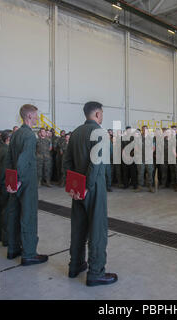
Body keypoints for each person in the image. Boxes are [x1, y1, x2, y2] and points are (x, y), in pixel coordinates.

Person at [64, 101, 117, 287]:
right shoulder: (100, 133)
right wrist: (88, 185)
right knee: (97, 229)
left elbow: (67, 161)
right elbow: (95, 163)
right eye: (101, 113)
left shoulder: (76, 133)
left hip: (77, 188)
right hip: (93, 188)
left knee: (78, 227)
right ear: (96, 114)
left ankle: (75, 265)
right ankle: (96, 272)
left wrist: (75, 186)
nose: (102, 116)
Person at [5, 104, 48, 266]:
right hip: (26, 180)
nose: (37, 118)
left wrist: (11, 180)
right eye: (36, 115)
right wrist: (20, 179)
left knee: (14, 213)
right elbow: (23, 159)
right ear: (29, 116)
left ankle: (13, 248)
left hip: (15, 179)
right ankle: (29, 253)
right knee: (28, 215)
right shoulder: (30, 136)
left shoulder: (15, 134)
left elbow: (10, 158)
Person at [136, 125, 155, 193]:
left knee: (150, 173)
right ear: (142, 130)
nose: (144, 131)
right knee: (140, 173)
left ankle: (150, 187)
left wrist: (149, 153)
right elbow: (136, 147)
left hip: (149, 159)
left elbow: (153, 148)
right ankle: (140, 187)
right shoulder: (138, 138)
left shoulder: (151, 138)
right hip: (141, 159)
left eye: (146, 129)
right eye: (143, 129)